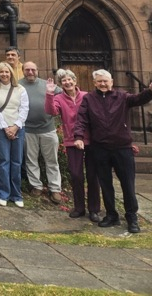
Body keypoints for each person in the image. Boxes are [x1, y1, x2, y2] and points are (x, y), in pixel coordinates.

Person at [74, 69, 152, 233]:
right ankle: (111, 215)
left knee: (128, 184)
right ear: (95, 83)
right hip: (100, 148)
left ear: (112, 82)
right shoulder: (89, 99)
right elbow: (81, 119)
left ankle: (132, 217)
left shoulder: (122, 96)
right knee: (105, 184)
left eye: (105, 81)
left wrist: (149, 91)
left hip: (122, 148)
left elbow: (139, 99)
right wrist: (78, 137)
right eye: (99, 81)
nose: (103, 84)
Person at [45, 69, 102, 222]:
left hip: (91, 140)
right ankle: (79, 207)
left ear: (75, 81)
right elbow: (51, 111)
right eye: (64, 80)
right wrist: (49, 94)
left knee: (93, 175)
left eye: (69, 79)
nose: (67, 82)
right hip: (72, 140)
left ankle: (94, 209)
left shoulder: (86, 96)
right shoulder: (58, 98)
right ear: (60, 84)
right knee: (76, 175)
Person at [0, 62, 29, 207]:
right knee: (3, 161)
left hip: (18, 128)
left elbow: (24, 109)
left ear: (11, 73)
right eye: (2, 72)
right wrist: (6, 127)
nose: (4, 74)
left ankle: (16, 194)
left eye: (7, 72)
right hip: (0, 128)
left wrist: (16, 126)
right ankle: (3, 193)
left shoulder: (20, 89)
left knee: (17, 161)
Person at [20, 61, 62, 204]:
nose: (30, 72)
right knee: (31, 159)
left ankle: (55, 188)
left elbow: (64, 95)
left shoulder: (47, 84)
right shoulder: (18, 85)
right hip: (28, 130)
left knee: (52, 160)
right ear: (23, 71)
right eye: (27, 70)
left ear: (37, 70)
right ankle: (36, 186)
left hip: (48, 129)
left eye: (33, 69)